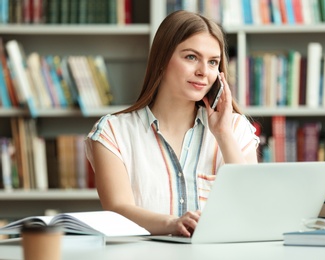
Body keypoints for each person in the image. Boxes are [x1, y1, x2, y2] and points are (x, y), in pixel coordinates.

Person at [84, 10, 259, 237]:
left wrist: (223, 133)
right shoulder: (113, 132)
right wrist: (172, 224)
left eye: (213, 62)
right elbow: (117, 209)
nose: (203, 72)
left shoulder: (236, 129)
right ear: (162, 60)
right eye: (191, 57)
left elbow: (253, 207)